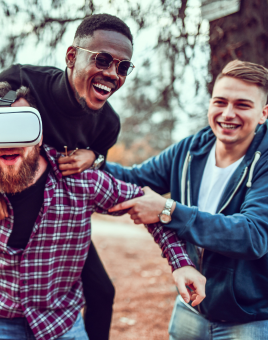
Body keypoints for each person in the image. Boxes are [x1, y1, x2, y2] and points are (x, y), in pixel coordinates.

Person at [0, 14, 137, 340]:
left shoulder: (108, 123)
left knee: (102, 292)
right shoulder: (21, 80)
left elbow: (102, 159)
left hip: (48, 207)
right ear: (71, 57)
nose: (112, 73)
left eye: (123, 67)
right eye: (103, 60)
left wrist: (94, 156)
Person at [0, 83, 205, 340]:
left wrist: (180, 263)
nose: (8, 141)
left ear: (39, 134)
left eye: (20, 126)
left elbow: (145, 205)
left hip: (60, 322)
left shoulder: (80, 181)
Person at [107, 60, 268, 339]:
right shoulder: (191, 149)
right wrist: (92, 160)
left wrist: (167, 210)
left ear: (264, 113)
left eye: (242, 105)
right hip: (191, 306)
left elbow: (251, 235)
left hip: (250, 320)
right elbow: (132, 179)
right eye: (220, 101)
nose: (228, 113)